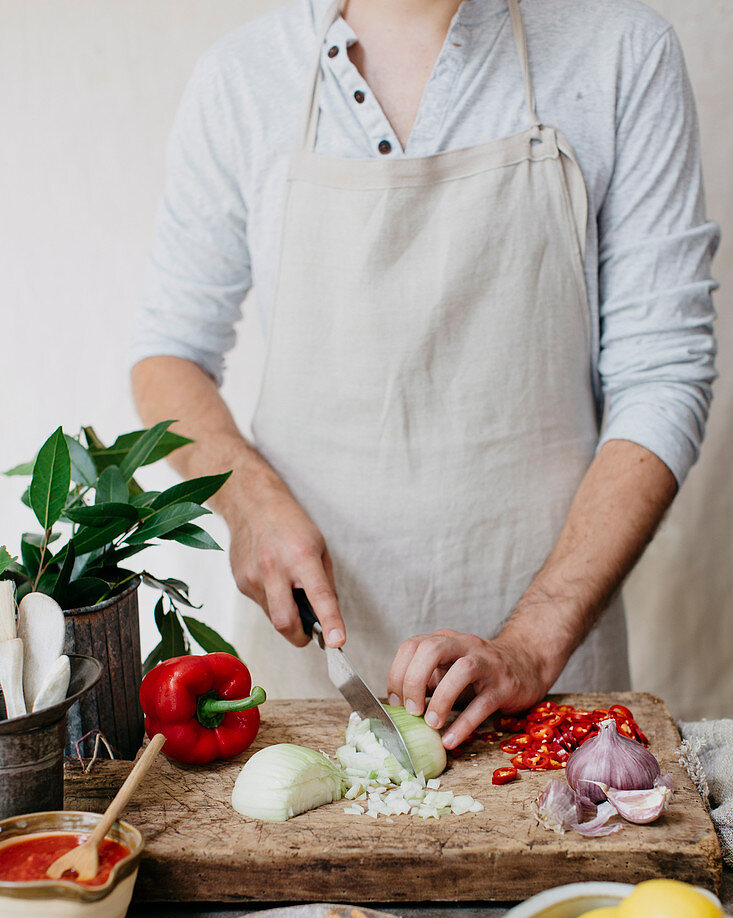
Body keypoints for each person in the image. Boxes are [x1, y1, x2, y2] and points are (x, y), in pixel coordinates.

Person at [130, 0, 718, 751]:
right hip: (303, 679)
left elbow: (662, 372)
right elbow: (167, 354)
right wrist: (245, 500)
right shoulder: (240, 76)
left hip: (548, 678)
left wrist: (530, 644)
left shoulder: (622, 53)